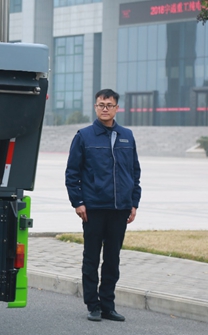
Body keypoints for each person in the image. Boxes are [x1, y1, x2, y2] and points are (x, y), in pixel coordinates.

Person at [65, 89, 141, 322]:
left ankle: (108, 305)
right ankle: (93, 305)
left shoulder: (127, 136)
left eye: (109, 105)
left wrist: (133, 203)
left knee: (112, 259)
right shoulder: (84, 136)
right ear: (95, 107)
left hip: (120, 209)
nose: (105, 108)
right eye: (101, 105)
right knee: (91, 258)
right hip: (94, 208)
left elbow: (134, 173)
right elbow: (72, 173)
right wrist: (78, 202)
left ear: (117, 108)